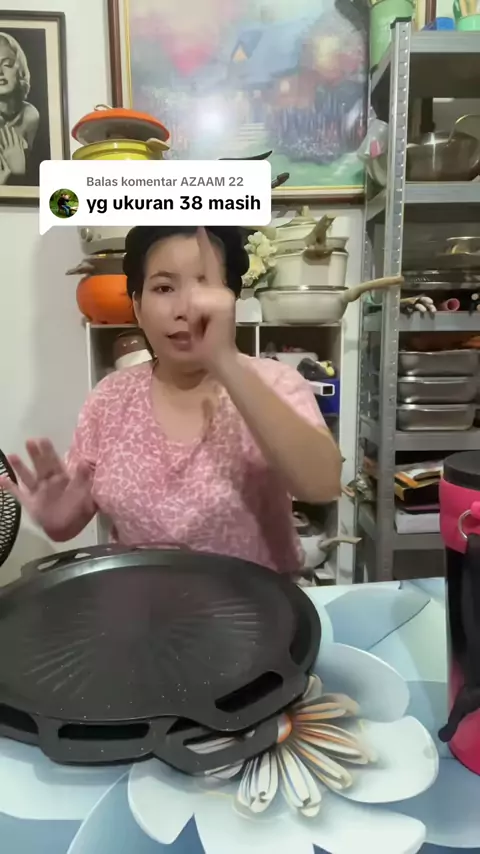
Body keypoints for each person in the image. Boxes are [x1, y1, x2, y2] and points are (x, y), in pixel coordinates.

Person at [0, 226, 342, 573]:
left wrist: (225, 361)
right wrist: (56, 518)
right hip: (143, 600)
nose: (185, 308)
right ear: (137, 306)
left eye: (205, 286)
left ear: (232, 302)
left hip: (256, 602)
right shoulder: (110, 397)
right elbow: (69, 518)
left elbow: (322, 484)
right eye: (164, 288)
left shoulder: (275, 383)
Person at [0, 32, 40, 177]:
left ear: (20, 70)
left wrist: (19, 172)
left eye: (7, 65)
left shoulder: (31, 116)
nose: (0, 72)